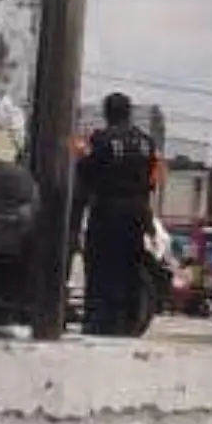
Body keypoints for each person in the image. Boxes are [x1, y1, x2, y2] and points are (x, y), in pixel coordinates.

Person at [71, 92, 159, 336]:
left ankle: (99, 321)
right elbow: (152, 180)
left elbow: (86, 173)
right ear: (129, 112)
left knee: (101, 267)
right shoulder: (146, 143)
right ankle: (129, 320)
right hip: (138, 211)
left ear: (107, 113)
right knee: (130, 266)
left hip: (107, 210)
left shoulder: (101, 140)